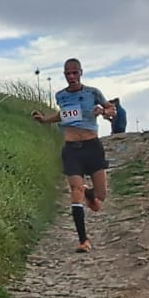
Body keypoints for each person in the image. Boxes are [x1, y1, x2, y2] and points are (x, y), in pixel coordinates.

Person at [32, 59, 114, 252]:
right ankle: (83, 240)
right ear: (64, 74)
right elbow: (63, 115)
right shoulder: (60, 96)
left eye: (75, 73)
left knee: (100, 196)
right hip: (71, 149)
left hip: (92, 146)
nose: (71, 77)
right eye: (68, 74)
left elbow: (112, 110)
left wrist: (104, 111)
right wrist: (44, 120)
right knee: (75, 191)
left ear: (81, 73)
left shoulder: (93, 93)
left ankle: (88, 192)